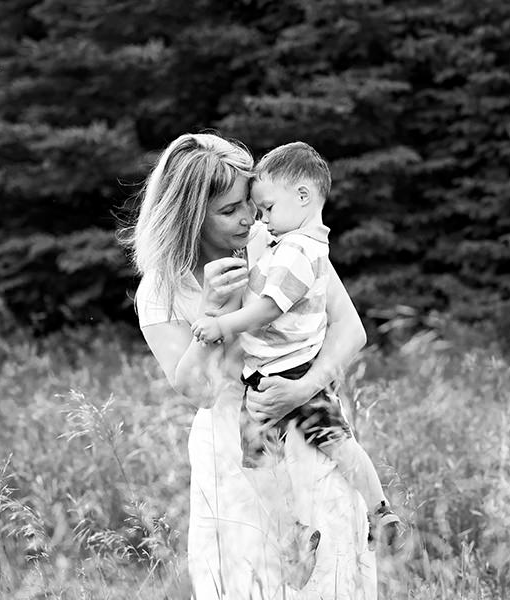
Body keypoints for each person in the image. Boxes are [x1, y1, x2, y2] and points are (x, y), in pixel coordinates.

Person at [131, 132, 377, 599]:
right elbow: (197, 391)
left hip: (312, 430)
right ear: (189, 219)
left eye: (248, 202)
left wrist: (306, 387)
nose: (248, 218)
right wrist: (211, 311)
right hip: (236, 458)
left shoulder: (286, 248)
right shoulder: (161, 291)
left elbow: (350, 329)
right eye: (228, 211)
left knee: (332, 577)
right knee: (247, 580)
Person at [191, 142, 401, 549]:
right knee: (338, 443)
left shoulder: (296, 252)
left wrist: (220, 323)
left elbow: (269, 308)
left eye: (266, 208)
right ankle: (379, 510)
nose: (259, 219)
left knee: (260, 459)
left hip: (284, 374)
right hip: (290, 370)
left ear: (302, 197)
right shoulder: (303, 245)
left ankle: (297, 529)